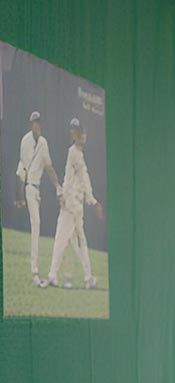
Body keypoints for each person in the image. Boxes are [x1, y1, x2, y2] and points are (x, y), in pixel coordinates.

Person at [46, 118, 102, 290]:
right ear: (74, 134)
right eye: (77, 131)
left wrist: (91, 201)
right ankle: (87, 278)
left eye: (81, 131)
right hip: (73, 205)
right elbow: (74, 179)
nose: (80, 135)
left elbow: (79, 179)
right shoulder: (74, 153)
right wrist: (92, 201)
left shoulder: (76, 153)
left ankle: (54, 275)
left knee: (64, 240)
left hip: (73, 206)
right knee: (76, 242)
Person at [14, 111, 60, 286]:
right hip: (29, 187)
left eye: (40, 122)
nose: (38, 125)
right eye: (35, 122)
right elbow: (21, 168)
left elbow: (49, 167)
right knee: (36, 224)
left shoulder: (43, 142)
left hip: (37, 190)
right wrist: (19, 195)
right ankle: (35, 272)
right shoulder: (25, 141)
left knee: (37, 225)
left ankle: (37, 271)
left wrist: (57, 186)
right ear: (31, 124)